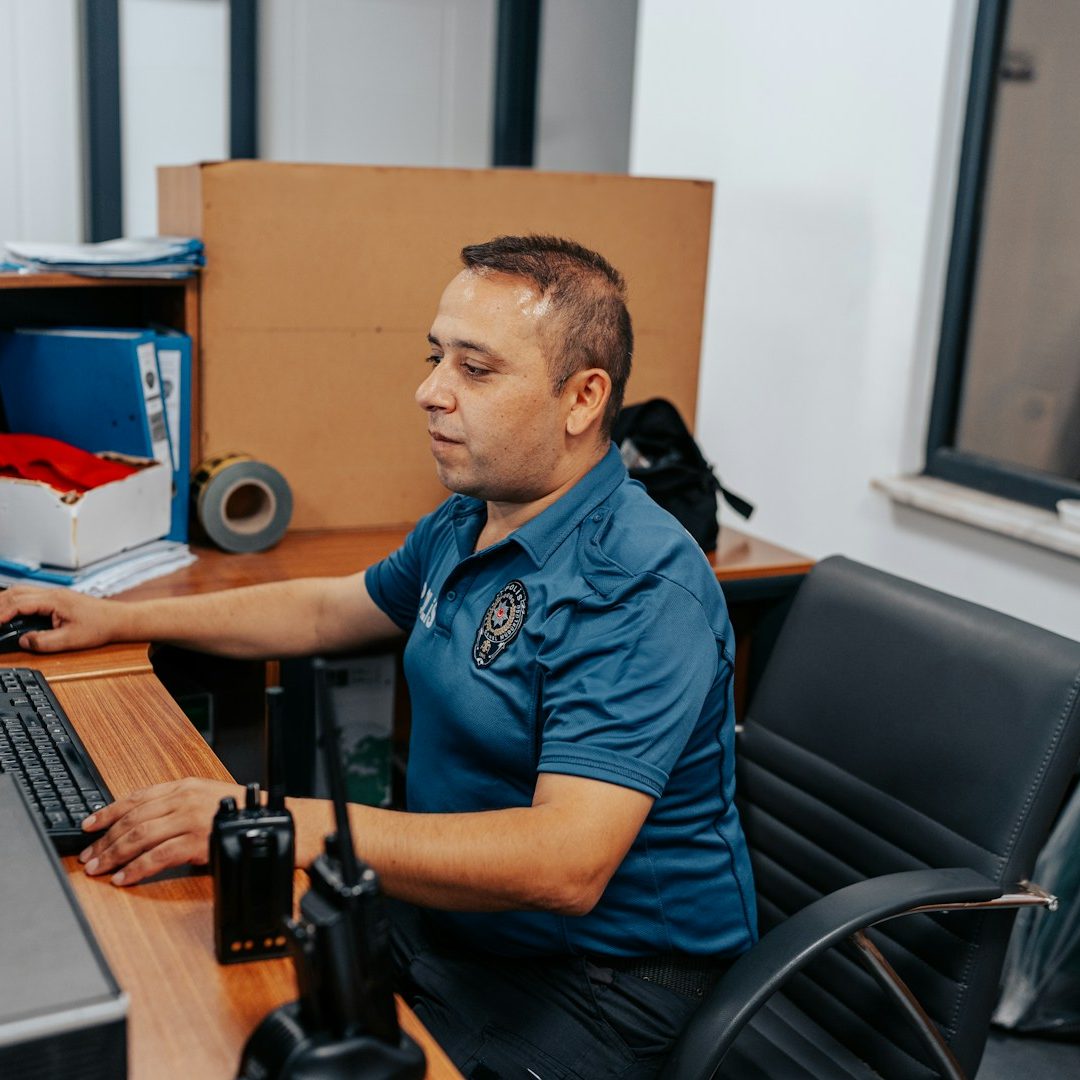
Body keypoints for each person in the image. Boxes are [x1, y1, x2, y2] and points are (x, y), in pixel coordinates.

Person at [0, 235, 756, 1077]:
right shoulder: (473, 517)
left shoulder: (638, 585)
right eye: (437, 358)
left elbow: (565, 864)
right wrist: (114, 618)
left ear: (583, 398)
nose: (430, 391)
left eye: (476, 369)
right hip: (454, 927)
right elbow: (328, 610)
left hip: (601, 982)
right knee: (205, 1008)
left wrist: (276, 822)